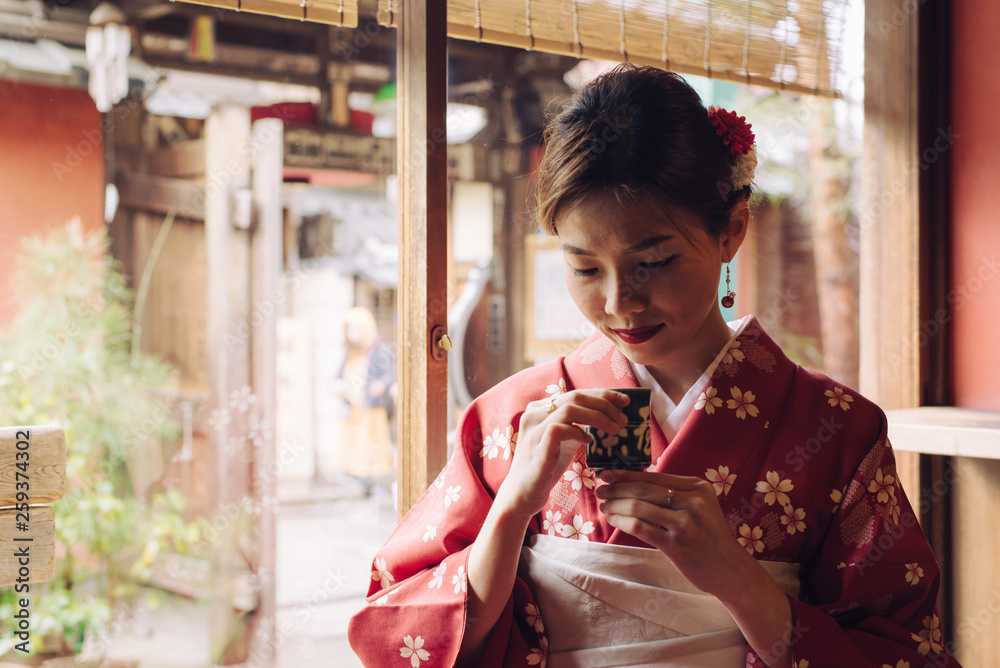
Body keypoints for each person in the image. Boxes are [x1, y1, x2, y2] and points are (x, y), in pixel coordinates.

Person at [348, 65, 959, 668]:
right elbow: (397, 627)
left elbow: (903, 653)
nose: (620, 303)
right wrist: (510, 514)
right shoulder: (510, 420)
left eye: (656, 261)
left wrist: (737, 579)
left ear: (731, 231)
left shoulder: (839, 431)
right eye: (585, 268)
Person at [332, 306, 396, 485]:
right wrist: (339, 387)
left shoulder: (379, 349)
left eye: (356, 329)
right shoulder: (351, 352)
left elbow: (388, 374)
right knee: (352, 442)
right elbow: (339, 374)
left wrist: (381, 385)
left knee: (373, 441)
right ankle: (356, 476)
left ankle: (374, 478)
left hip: (371, 407)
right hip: (353, 408)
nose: (353, 334)